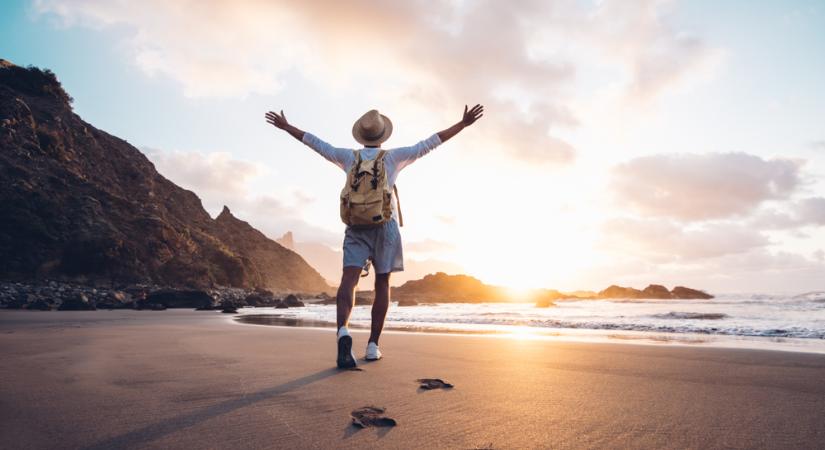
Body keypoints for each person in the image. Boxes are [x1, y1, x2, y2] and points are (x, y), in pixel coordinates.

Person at [265, 104, 484, 368]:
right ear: (382, 136)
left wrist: (287, 127)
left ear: (361, 136)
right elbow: (430, 143)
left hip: (356, 226)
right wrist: (462, 125)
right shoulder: (393, 158)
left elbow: (316, 144)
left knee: (349, 280)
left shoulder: (348, 157)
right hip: (385, 226)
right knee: (382, 283)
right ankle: (372, 346)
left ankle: (343, 332)